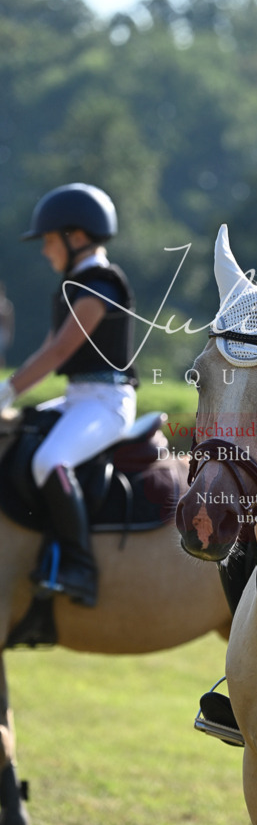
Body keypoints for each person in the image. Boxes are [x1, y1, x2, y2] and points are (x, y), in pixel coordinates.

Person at [0, 183, 137, 607]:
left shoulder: (100, 287)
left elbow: (59, 352)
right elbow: (46, 351)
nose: (45, 251)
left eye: (48, 240)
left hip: (107, 402)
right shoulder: (75, 286)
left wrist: (6, 390)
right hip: (79, 398)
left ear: (76, 237)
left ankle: (79, 567)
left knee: (51, 460)